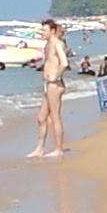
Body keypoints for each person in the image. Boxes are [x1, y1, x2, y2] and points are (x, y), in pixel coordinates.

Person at [29, 18, 68, 158]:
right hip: (49, 84)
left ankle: (58, 149)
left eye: (44, 30)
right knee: (41, 117)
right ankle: (39, 149)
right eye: (41, 30)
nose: (41, 33)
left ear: (52, 31)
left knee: (55, 117)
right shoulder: (47, 45)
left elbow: (64, 63)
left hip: (55, 85)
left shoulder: (57, 44)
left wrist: (55, 77)